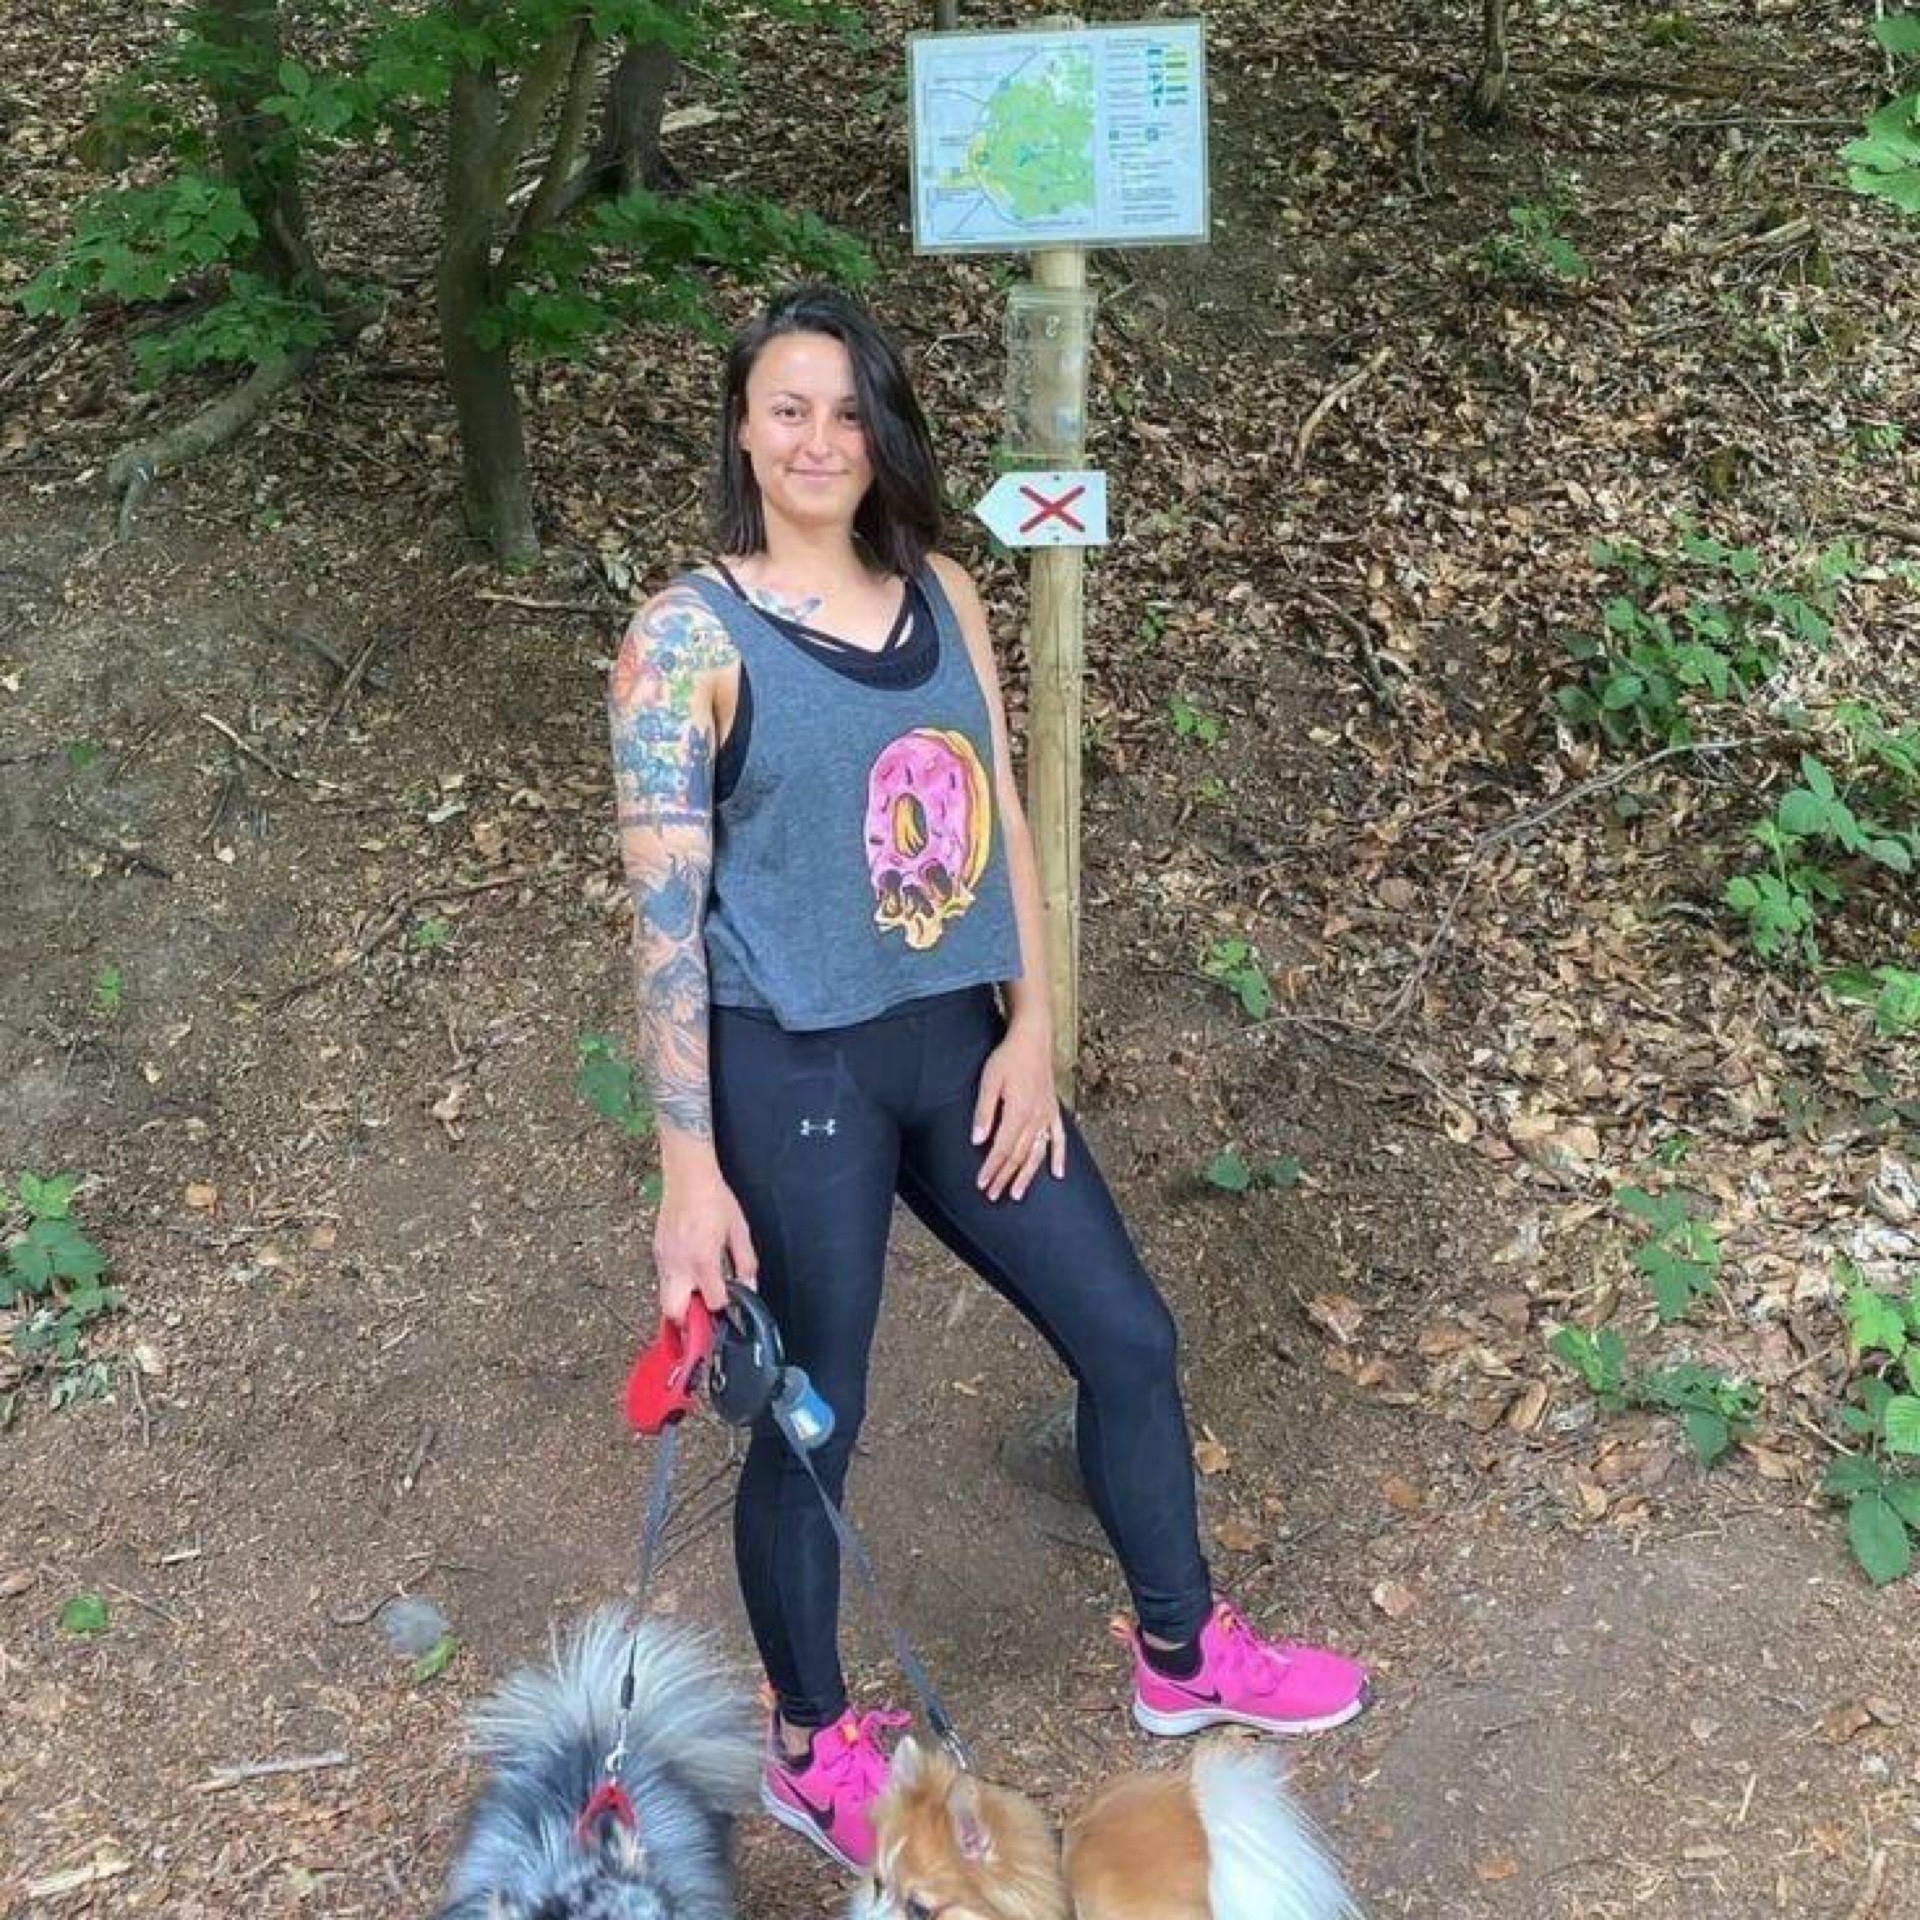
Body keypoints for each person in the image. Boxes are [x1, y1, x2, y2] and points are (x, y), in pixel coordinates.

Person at [606, 285, 1368, 1875]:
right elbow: (665, 916)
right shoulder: (686, 641)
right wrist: (688, 1174)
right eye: (787, 408)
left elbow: (1001, 816)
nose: (819, 439)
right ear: (742, 429)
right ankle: (811, 1746)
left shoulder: (943, 591)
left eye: (847, 410)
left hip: (960, 1041)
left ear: (883, 430)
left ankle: (1182, 1654)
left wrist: (1034, 1029)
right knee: (812, 1421)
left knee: (1127, 1334)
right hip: (792, 1068)